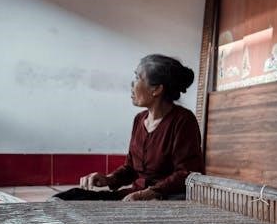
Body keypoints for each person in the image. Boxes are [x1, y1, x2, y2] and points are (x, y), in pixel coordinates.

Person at [55, 54, 204, 201]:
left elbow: (186, 173)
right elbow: (131, 169)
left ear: (157, 89)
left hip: (166, 199)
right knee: (70, 197)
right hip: (136, 196)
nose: (132, 84)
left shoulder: (183, 120)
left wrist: (150, 193)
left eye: (138, 78)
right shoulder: (139, 119)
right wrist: (109, 179)